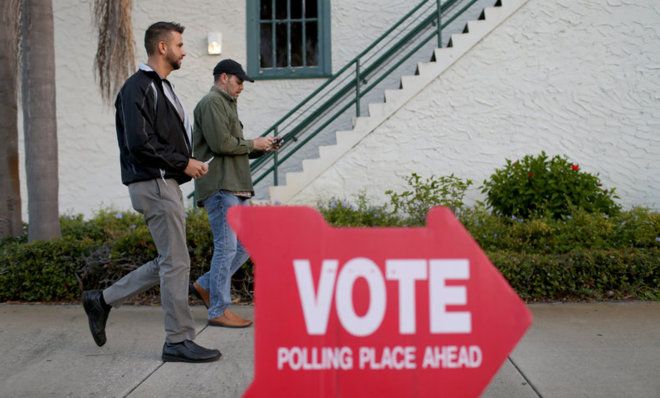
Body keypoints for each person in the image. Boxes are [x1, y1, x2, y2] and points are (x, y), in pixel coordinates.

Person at [82, 21, 221, 363]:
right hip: (153, 183)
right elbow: (139, 143)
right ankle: (177, 340)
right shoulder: (138, 87)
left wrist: (186, 164)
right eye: (180, 44)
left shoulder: (162, 87)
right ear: (162, 48)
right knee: (176, 262)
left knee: (168, 260)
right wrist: (183, 162)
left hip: (164, 181)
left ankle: (100, 300)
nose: (184, 50)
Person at [189, 59, 278, 328]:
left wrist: (260, 147)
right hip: (221, 186)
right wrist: (252, 142)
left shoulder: (226, 103)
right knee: (227, 248)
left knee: (245, 245)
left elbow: (233, 146)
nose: (242, 88)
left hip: (235, 185)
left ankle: (205, 286)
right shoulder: (212, 102)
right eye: (239, 82)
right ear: (224, 77)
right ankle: (218, 309)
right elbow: (221, 144)